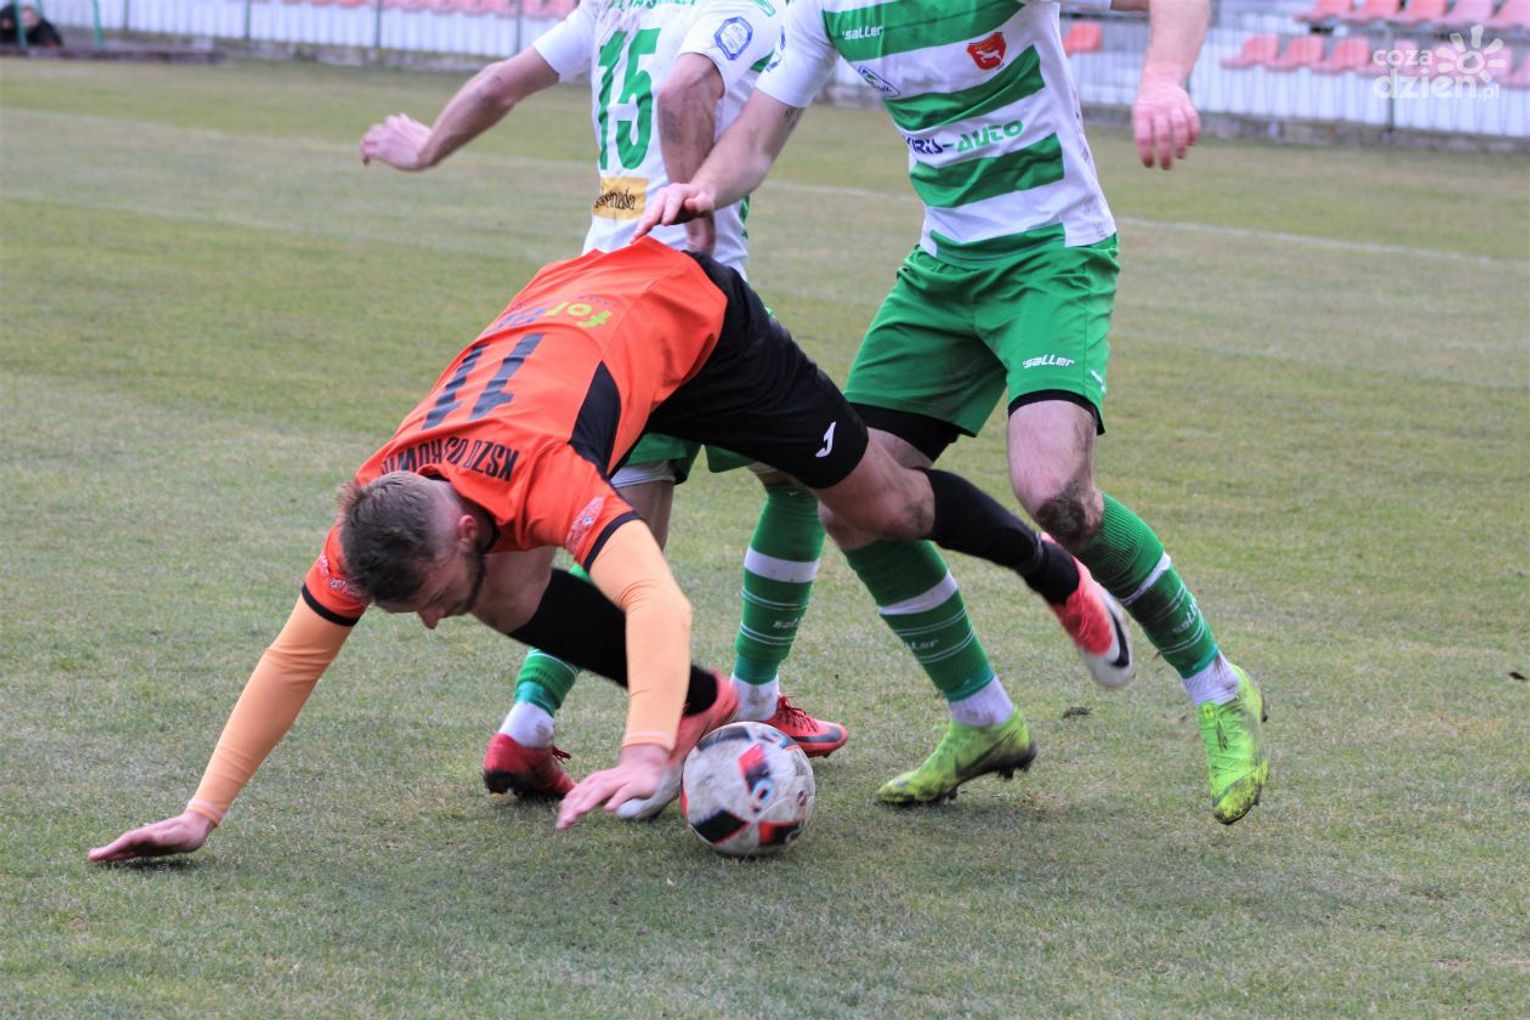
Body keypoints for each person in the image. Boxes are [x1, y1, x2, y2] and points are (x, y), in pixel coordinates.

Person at [87, 239, 1127, 862]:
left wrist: (638, 751)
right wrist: (200, 813)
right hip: (579, 323)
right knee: (504, 594)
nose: (433, 621)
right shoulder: (381, 509)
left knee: (886, 504)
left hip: (696, 324)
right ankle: (707, 703)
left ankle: (1051, 569)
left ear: (461, 525)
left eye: (430, 597)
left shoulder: (541, 474)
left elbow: (657, 600)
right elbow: (294, 656)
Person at [637, 0, 1270, 823]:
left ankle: (1219, 688)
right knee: (851, 500)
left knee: (1057, 496)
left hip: (1052, 254)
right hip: (942, 273)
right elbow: (754, 140)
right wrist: (698, 191)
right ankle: (982, 718)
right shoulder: (828, 8)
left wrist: (1162, 80)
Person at [360, 0, 848, 800]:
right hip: (686, 302)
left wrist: (425, 149)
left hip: (595, 304)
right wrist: (693, 208)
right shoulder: (734, 8)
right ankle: (752, 702)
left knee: (620, 536)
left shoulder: (611, 7)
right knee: (796, 483)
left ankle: (528, 723)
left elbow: (499, 82)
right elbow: (685, 89)